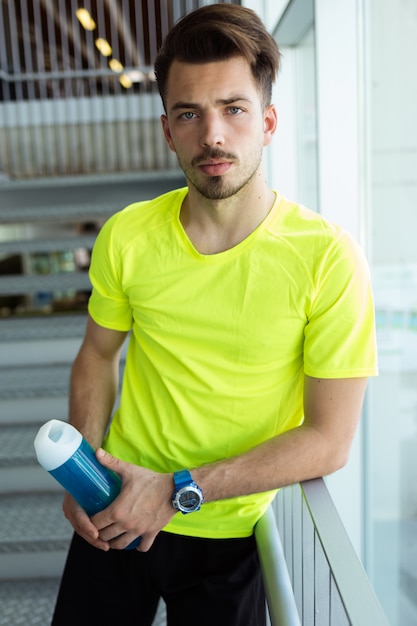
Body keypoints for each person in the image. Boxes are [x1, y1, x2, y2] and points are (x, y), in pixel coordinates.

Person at [51, 4, 378, 626]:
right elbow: (97, 353)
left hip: (226, 527)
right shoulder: (128, 235)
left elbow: (330, 440)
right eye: (189, 113)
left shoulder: (327, 259)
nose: (213, 135)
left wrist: (177, 491)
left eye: (234, 109)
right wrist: (84, 466)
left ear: (269, 121)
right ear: (168, 130)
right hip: (114, 504)